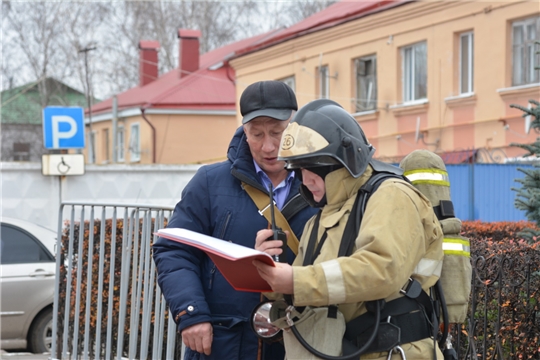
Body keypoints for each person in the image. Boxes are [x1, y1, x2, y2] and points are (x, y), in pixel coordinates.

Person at [253, 99, 444, 359]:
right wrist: (271, 274)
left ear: (344, 161)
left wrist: (296, 280)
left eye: (315, 167)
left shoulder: (391, 196)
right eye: (299, 169)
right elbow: (311, 293)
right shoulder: (320, 219)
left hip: (392, 352)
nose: (306, 180)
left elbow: (381, 269)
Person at [152, 80, 317, 360]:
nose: (269, 146)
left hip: (301, 339)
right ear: (244, 131)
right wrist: (191, 314)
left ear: (295, 128)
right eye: (256, 134)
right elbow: (173, 249)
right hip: (224, 342)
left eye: (278, 132)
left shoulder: (320, 181)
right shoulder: (208, 181)